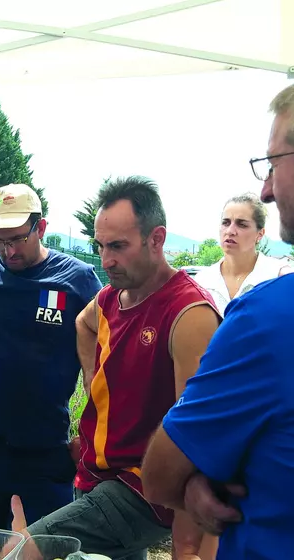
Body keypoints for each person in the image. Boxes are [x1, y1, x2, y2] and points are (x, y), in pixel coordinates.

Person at [6, 177, 221, 560]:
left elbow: (201, 440)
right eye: (100, 246)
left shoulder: (189, 314)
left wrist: (189, 549)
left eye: (118, 246)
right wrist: (95, 382)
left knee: (18, 552)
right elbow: (83, 325)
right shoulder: (108, 299)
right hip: (96, 471)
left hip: (141, 489)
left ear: (156, 239)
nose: (106, 261)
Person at [142, 84, 294, 560]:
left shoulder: (272, 312)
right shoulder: (204, 282)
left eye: (275, 163)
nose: (266, 188)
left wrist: (192, 481)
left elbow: (161, 472)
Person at [0, 184, 103, 537]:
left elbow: (104, 361)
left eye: (16, 240)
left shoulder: (78, 280)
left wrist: (88, 437)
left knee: (46, 547)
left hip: (46, 451)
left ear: (40, 229)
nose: (7, 251)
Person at [193, 192, 291, 316]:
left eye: (242, 224)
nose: (230, 231)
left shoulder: (278, 277)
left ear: (260, 234)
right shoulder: (203, 280)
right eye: (226, 223)